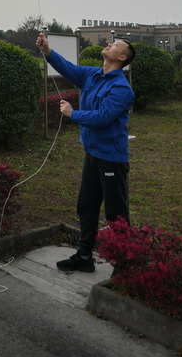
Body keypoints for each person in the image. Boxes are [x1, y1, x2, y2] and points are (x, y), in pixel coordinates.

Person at [36, 31, 135, 273]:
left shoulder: (122, 89)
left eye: (116, 45)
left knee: (116, 215)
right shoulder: (92, 74)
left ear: (122, 58)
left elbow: (103, 117)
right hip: (92, 154)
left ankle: (126, 267)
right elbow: (69, 69)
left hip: (111, 159)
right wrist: (47, 51)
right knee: (86, 206)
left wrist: (73, 114)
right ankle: (84, 256)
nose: (110, 44)